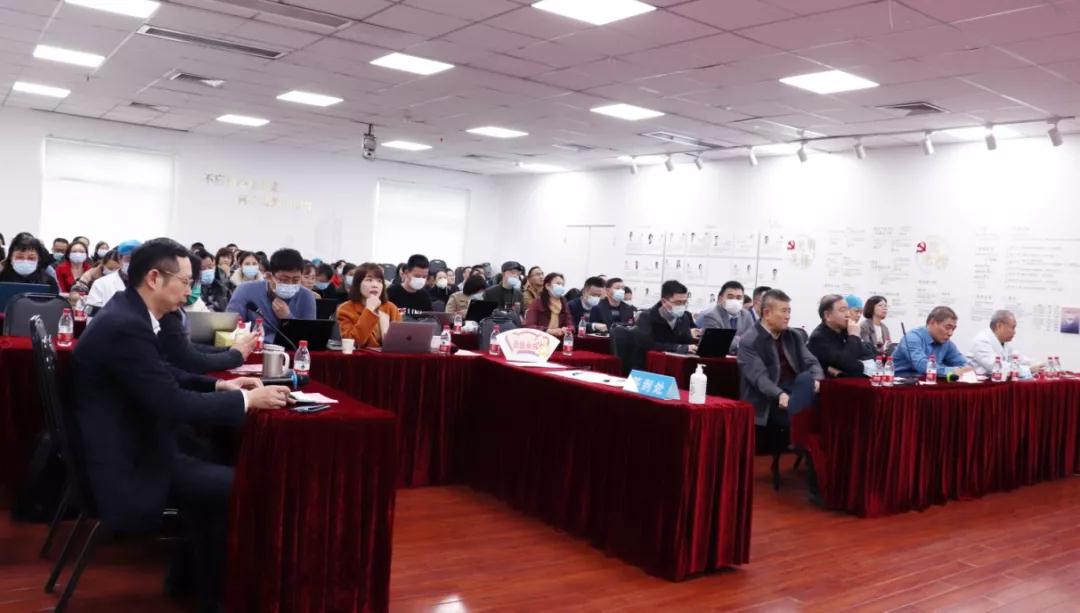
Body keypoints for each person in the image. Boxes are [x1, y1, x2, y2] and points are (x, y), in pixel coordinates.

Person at [72, 238, 291, 610]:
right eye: (185, 282)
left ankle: (191, 581)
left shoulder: (128, 313)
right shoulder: (125, 325)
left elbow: (162, 374)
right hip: (129, 463)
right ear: (154, 278)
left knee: (212, 457)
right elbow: (171, 402)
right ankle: (216, 596)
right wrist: (246, 401)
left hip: (134, 443)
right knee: (241, 484)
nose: (189, 292)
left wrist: (220, 385)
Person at [737, 289, 824, 426]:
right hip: (766, 400)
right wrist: (779, 394)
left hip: (794, 393)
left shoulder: (793, 335)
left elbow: (811, 361)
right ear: (767, 313)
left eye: (789, 311)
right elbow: (759, 378)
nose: (788, 316)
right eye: (783, 311)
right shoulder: (749, 341)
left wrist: (817, 379)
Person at [227, 248, 316, 344]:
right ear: (269, 276)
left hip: (291, 350)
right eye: (283, 279)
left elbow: (309, 336)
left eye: (295, 280)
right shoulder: (245, 290)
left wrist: (287, 318)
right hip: (253, 348)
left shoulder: (307, 296)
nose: (290, 284)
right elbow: (230, 329)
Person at [891, 306, 973, 378]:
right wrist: (952, 371)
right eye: (947, 328)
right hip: (899, 384)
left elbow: (964, 365)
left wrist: (965, 369)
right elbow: (922, 366)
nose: (950, 333)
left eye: (953, 329)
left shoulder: (947, 343)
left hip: (928, 382)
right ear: (932, 322)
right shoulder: (912, 338)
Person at [336, 263, 402, 348]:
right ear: (358, 284)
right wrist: (369, 310)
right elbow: (352, 342)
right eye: (369, 280)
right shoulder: (345, 309)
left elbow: (400, 340)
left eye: (379, 281)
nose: (375, 285)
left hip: (387, 355)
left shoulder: (391, 308)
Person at [808, 294, 870, 378]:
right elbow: (848, 364)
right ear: (828, 316)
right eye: (842, 310)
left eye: (848, 309)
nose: (848, 315)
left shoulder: (845, 330)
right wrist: (854, 335)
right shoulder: (818, 338)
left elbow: (869, 356)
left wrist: (857, 366)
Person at [966, 310, 1038, 376]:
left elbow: (1017, 358)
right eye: (1012, 327)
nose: (1014, 332)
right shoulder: (982, 341)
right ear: (999, 326)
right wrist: (1027, 370)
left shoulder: (1003, 342)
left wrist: (1035, 364)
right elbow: (996, 366)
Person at [642, 280, 700, 354]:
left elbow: (686, 342)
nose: (682, 306)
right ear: (664, 301)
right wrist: (679, 348)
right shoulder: (646, 317)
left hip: (677, 359)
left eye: (685, 302)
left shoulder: (684, 318)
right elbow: (648, 345)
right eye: (678, 302)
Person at [85, 240, 141, 310]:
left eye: (137, 259)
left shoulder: (150, 283)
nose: (133, 263)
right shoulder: (101, 284)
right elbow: (91, 312)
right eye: (128, 259)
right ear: (120, 259)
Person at [699, 281, 755, 351]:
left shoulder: (746, 315)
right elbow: (716, 343)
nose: (735, 301)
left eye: (738, 298)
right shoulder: (712, 316)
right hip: (717, 357)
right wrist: (741, 339)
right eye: (730, 297)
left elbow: (753, 340)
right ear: (720, 299)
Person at [523, 272, 572, 337]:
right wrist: (548, 331)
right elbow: (529, 326)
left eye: (562, 285)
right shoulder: (537, 302)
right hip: (540, 338)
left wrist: (566, 329)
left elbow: (570, 323)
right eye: (558, 284)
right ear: (547, 286)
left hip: (559, 338)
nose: (561, 287)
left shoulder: (563, 302)